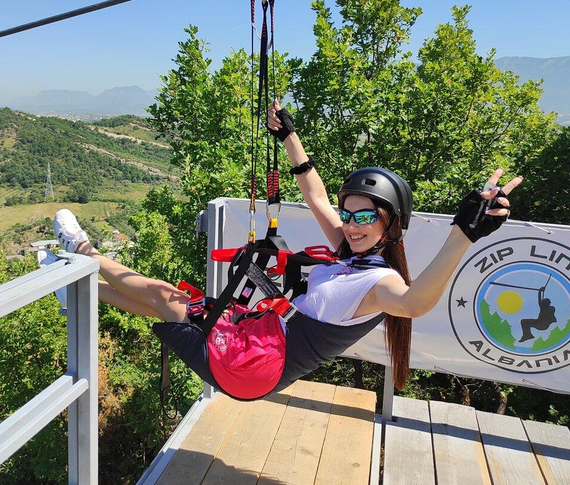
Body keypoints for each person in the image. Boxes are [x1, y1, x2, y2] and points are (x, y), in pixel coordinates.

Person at [51, 100, 522, 400]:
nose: (352, 225)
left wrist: (464, 232)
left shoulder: (381, 283)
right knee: (169, 303)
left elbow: (416, 304)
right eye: (349, 214)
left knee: (165, 298)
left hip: (252, 365)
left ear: (391, 225)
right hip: (255, 342)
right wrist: (288, 137)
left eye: (365, 217)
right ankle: (74, 286)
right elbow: (316, 196)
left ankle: (84, 251)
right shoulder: (354, 254)